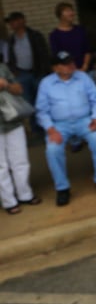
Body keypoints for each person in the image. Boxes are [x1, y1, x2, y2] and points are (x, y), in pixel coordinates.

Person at [36, 50, 96, 206]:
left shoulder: (83, 77)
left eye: (71, 62)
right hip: (59, 125)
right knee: (52, 149)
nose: (71, 66)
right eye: (65, 64)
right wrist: (51, 130)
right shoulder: (46, 83)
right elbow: (41, 111)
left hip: (84, 120)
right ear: (55, 68)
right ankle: (62, 188)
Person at [0, 60, 40, 214]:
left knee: (20, 160)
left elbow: (19, 89)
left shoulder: (2, 68)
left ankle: (25, 194)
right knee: (1, 166)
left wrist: (6, 85)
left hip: (13, 121)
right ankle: (9, 201)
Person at [5, 11, 49, 108]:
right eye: (10, 22)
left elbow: (44, 54)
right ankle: (33, 123)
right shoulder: (12, 39)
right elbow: (10, 57)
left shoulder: (35, 35)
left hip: (37, 73)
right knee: (28, 101)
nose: (11, 24)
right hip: (22, 74)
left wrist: (44, 70)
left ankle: (43, 122)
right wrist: (13, 71)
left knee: (42, 99)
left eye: (13, 21)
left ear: (22, 21)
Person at [49, 1, 91, 72]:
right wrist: (70, 69)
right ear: (60, 15)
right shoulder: (54, 35)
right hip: (68, 73)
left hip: (86, 70)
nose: (72, 13)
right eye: (67, 11)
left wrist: (85, 67)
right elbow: (58, 56)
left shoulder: (80, 30)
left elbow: (87, 50)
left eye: (72, 10)